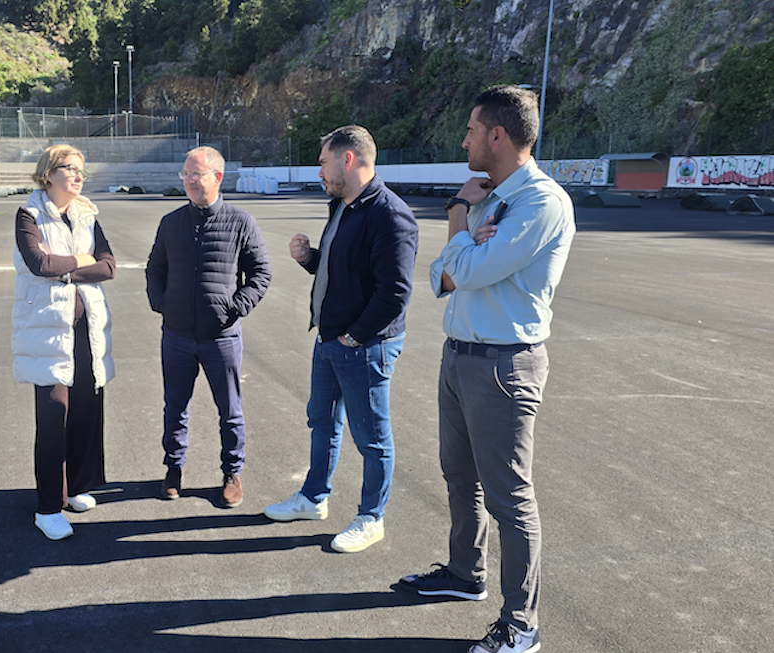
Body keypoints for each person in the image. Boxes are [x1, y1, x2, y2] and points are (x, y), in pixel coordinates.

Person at [398, 86, 575, 653]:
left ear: (498, 136)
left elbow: (464, 274)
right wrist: (467, 235)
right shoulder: (489, 199)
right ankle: (463, 573)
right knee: (458, 475)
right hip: (461, 355)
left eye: (472, 130)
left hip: (503, 364)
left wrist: (458, 217)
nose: (465, 140)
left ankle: (522, 623)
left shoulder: (539, 203)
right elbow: (443, 276)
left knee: (509, 496)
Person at [263, 125, 418, 553]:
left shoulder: (390, 214)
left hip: (363, 346)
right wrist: (309, 258)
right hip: (331, 340)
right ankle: (313, 499)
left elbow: (395, 294)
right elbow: (342, 270)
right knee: (322, 421)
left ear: (348, 159)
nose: (319, 171)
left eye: (323, 162)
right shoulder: (342, 206)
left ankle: (371, 518)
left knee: (372, 438)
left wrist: (354, 337)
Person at [145, 146, 271, 508]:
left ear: (217, 177)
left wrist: (237, 307)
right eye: (185, 174)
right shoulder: (170, 223)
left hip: (222, 338)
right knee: (175, 407)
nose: (188, 180)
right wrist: (162, 303)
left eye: (195, 174)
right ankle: (173, 468)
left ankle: (232, 473)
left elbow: (260, 273)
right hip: (177, 336)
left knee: (230, 411)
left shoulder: (241, 222)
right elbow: (155, 268)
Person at [12, 144, 116, 541]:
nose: (78, 176)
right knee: (54, 415)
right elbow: (38, 263)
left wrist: (66, 268)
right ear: (49, 172)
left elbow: (108, 266)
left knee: (86, 410)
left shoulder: (86, 214)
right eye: (70, 168)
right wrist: (81, 262)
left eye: (81, 170)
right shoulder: (29, 214)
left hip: (87, 329)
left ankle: (74, 489)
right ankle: (47, 507)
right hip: (47, 330)